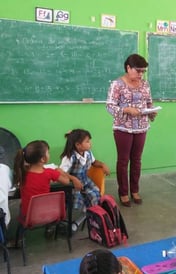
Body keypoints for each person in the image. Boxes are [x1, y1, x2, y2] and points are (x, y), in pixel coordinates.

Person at [106, 54, 157, 207]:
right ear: (128, 68)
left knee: (137, 160)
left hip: (141, 127)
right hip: (123, 128)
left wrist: (152, 112)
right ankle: (123, 192)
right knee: (123, 161)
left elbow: (148, 102)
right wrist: (126, 109)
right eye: (138, 71)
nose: (140, 74)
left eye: (143, 71)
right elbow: (109, 106)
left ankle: (135, 190)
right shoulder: (117, 84)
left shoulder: (145, 84)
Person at [60, 129, 110, 230]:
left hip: (85, 182)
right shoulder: (69, 157)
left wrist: (103, 164)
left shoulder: (88, 153)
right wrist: (73, 179)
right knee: (77, 201)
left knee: (95, 195)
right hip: (73, 185)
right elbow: (61, 172)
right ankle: (72, 220)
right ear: (78, 145)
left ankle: (86, 218)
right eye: (87, 141)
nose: (90, 143)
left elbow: (94, 162)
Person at [13, 140, 74, 218]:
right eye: (48, 153)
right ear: (42, 159)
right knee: (66, 198)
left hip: (27, 216)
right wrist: (60, 171)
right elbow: (67, 182)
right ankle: (54, 226)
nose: (49, 154)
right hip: (46, 215)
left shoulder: (22, 172)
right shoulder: (50, 172)